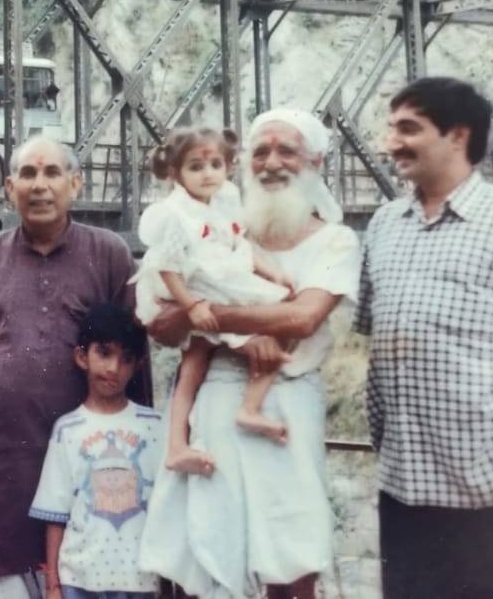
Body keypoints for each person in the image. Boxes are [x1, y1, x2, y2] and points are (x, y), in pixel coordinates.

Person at [357, 77, 493, 598]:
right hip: (407, 487)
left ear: (458, 135)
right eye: (390, 129)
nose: (391, 143)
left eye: (409, 129)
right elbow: (372, 335)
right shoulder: (384, 224)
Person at [140, 109, 360, 599]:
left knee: (290, 555)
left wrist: (214, 315)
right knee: (208, 551)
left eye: (287, 150)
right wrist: (233, 324)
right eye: (260, 151)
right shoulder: (218, 233)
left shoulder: (336, 240)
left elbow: (302, 319)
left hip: (287, 401)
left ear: (317, 161)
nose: (272, 162)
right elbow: (162, 325)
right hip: (216, 401)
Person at [0, 137, 139, 598]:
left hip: (91, 466)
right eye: (28, 174)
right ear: (9, 187)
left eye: (52, 173)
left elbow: (134, 364)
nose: (39, 185)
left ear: (75, 184)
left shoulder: (109, 255)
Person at [132, 127, 292, 479]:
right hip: (182, 288)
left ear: (228, 167)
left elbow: (241, 242)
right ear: (175, 173)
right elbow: (166, 267)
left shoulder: (224, 199)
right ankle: (241, 412)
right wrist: (192, 307)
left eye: (216, 164)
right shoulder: (175, 213)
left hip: (208, 275)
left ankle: (183, 443)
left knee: (197, 357)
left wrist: (271, 270)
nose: (208, 174)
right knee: (278, 313)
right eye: (195, 167)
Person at [29, 302, 164, 599]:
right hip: (80, 580)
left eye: (126, 359)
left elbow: (168, 507)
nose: (113, 368)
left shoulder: (156, 427)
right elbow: (56, 514)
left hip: (140, 579)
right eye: (104, 353)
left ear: (137, 366)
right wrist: (53, 586)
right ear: (82, 356)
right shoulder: (68, 429)